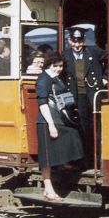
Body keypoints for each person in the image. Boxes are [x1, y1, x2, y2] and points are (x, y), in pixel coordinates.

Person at [35, 52, 83, 201]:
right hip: (46, 121)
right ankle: (48, 190)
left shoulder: (54, 78)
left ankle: (62, 163)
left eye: (60, 66)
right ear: (49, 65)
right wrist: (51, 125)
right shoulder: (43, 79)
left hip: (57, 119)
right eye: (55, 66)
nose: (58, 69)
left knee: (72, 135)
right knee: (47, 159)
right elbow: (42, 104)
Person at [63, 27, 108, 162]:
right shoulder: (64, 55)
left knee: (96, 126)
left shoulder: (93, 51)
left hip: (93, 94)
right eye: (74, 41)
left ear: (84, 40)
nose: (77, 45)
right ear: (69, 41)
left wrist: (106, 77)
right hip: (77, 97)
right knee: (82, 128)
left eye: (80, 41)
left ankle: (98, 159)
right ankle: (84, 160)